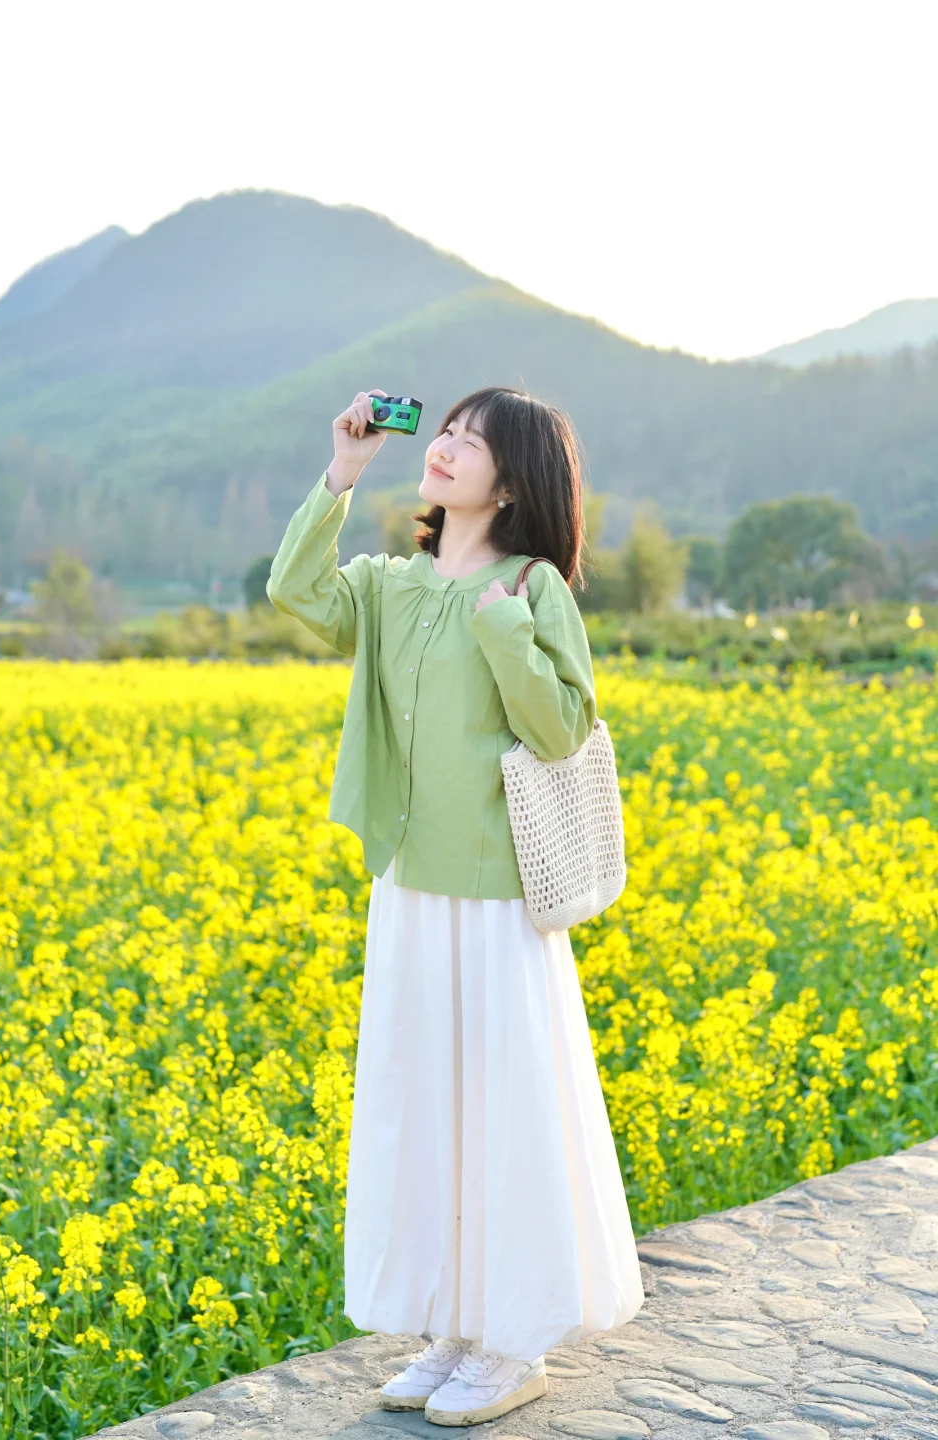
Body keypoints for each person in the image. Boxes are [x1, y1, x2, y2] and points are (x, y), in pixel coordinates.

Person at [266, 386, 645, 1428]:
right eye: (443, 431)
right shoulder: (389, 585)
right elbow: (296, 594)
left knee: (504, 1115)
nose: (442, 448)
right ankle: (457, 1323)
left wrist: (505, 634)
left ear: (514, 480)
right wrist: (341, 475)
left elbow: (566, 727)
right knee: (426, 1110)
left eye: (470, 441)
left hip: (495, 900)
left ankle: (514, 1341)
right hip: (408, 884)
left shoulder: (529, 587)